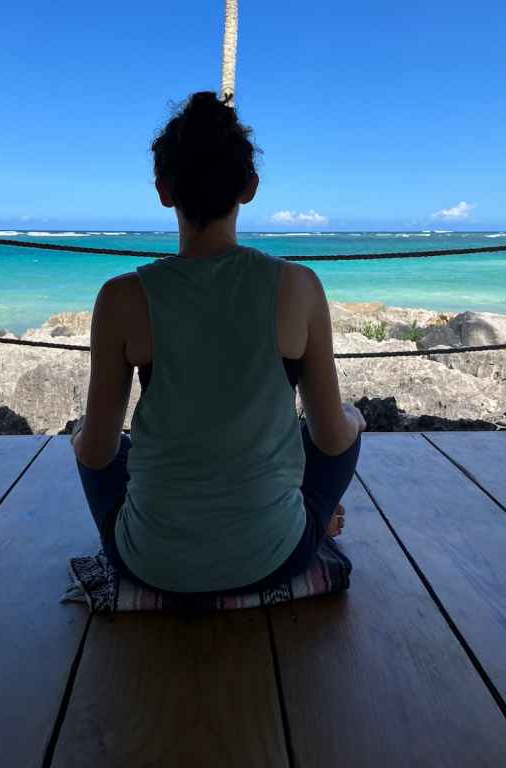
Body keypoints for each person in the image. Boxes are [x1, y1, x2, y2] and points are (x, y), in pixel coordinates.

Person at [72, 91, 366, 595]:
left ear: (164, 190)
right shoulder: (298, 286)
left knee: (101, 446)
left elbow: (98, 453)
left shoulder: (121, 298)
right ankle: (312, 518)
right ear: (249, 187)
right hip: (275, 557)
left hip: (148, 563)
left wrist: (81, 435)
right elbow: (331, 439)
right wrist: (356, 418)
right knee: (339, 431)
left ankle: (294, 516)